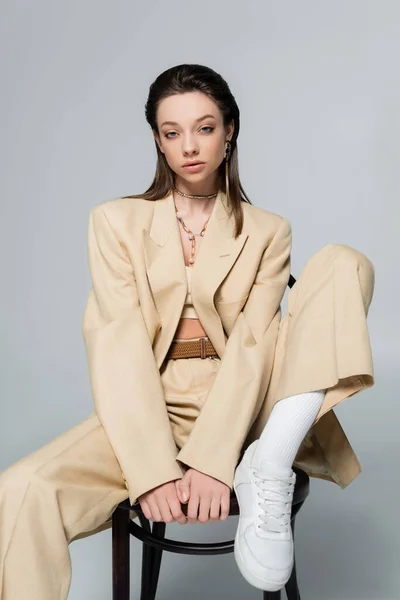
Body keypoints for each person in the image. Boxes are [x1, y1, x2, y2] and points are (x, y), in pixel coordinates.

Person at [0, 63, 375, 597]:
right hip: (148, 402)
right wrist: (153, 469)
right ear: (157, 140)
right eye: (172, 133)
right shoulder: (116, 222)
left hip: (247, 404)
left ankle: (265, 463)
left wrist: (213, 462)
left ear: (230, 131)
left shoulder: (269, 231)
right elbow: (117, 342)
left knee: (344, 261)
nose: (189, 146)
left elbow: (252, 346)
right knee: (22, 488)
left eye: (204, 127)